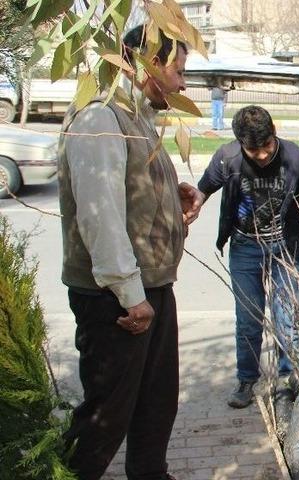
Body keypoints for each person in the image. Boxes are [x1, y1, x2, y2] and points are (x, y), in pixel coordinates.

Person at [58, 25, 204, 480]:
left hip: (151, 290)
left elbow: (128, 195)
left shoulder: (136, 115)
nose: (182, 85)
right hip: (118, 302)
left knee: (155, 407)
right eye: (178, 71)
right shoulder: (101, 117)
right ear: (148, 63)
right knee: (106, 420)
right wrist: (129, 295)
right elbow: (98, 215)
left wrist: (172, 195)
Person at [197, 105, 299, 408]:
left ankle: (290, 378)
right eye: (253, 150)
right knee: (248, 318)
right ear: (240, 144)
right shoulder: (228, 157)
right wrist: (190, 208)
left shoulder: (296, 158)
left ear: (274, 134)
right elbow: (203, 190)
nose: (261, 155)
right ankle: (247, 379)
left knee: (287, 317)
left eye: (266, 147)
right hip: (245, 246)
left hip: (286, 245)